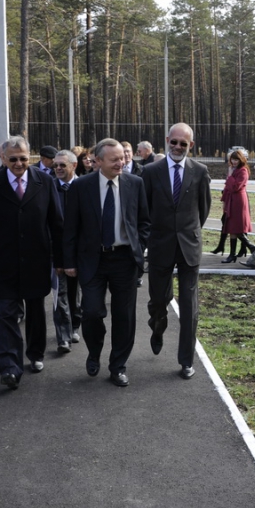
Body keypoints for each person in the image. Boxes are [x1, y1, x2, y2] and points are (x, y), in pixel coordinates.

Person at [0, 136, 63, 390]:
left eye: (24, 159)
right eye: (13, 159)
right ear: (3, 158)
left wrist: (62, 260)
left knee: (35, 309)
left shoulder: (45, 182)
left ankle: (35, 353)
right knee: (6, 312)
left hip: (37, 259)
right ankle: (9, 367)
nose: (19, 164)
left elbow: (57, 223)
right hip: (5, 261)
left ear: (30, 157)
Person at [63, 138, 150, 387]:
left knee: (124, 316)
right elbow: (70, 227)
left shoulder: (135, 183)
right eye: (114, 160)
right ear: (98, 161)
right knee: (91, 312)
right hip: (93, 260)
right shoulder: (81, 186)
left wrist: (138, 247)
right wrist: (69, 261)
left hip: (125, 259)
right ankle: (94, 352)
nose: (120, 163)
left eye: (122, 158)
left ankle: (118, 366)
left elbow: (144, 222)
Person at [144, 122, 211, 380]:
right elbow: (145, 210)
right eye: (174, 142)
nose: (178, 147)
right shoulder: (151, 171)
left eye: (183, 143)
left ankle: (186, 360)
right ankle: (157, 326)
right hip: (160, 246)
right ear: (167, 140)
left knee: (189, 307)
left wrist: (188, 232)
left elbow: (203, 209)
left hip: (189, 248)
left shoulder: (200, 171)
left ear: (190, 145)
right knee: (158, 301)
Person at [52, 149, 83, 352]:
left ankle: (75, 324)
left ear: (74, 165)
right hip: (57, 250)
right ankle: (63, 336)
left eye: (62, 165)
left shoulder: (85, 187)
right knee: (60, 292)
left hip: (81, 251)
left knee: (75, 292)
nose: (58, 168)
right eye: (55, 165)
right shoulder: (49, 187)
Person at [219, 149, 255, 263]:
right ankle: (234, 254)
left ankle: (250, 247)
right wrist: (224, 201)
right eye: (232, 159)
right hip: (231, 200)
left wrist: (230, 176)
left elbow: (235, 187)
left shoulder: (243, 171)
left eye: (236, 160)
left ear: (241, 160)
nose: (234, 162)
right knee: (231, 227)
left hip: (238, 201)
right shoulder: (233, 169)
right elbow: (227, 187)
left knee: (236, 226)